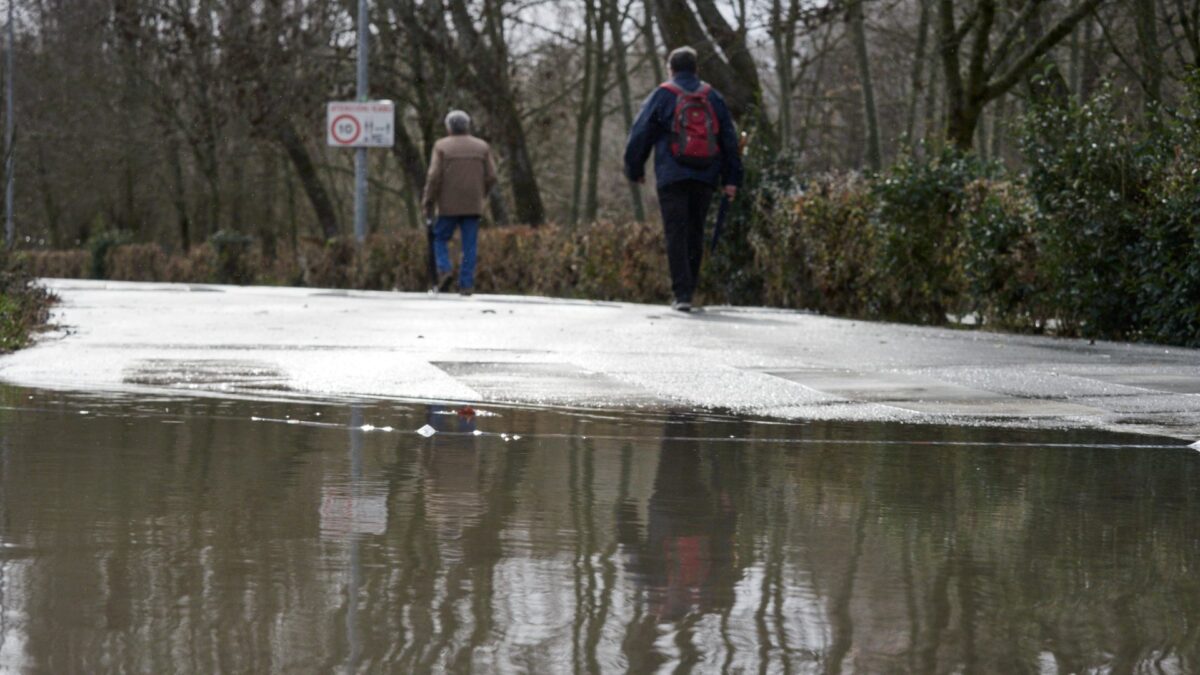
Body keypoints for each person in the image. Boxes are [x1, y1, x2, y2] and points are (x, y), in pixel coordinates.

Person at [623, 46, 744, 312]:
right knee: (695, 230)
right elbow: (728, 139)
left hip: (672, 175)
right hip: (705, 175)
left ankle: (683, 294)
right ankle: (691, 287)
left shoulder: (663, 95)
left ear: (671, 69)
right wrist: (732, 179)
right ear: (696, 69)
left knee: (676, 232)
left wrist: (635, 168)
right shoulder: (713, 97)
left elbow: (641, 132)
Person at [422, 110, 497, 296]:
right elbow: (492, 176)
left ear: (448, 127)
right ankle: (466, 284)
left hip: (448, 204)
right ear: (468, 126)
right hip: (473, 203)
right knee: (469, 244)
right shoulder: (482, 147)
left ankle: (444, 269)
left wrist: (428, 201)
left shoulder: (441, 147)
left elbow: (434, 176)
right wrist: (482, 193)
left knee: (439, 237)